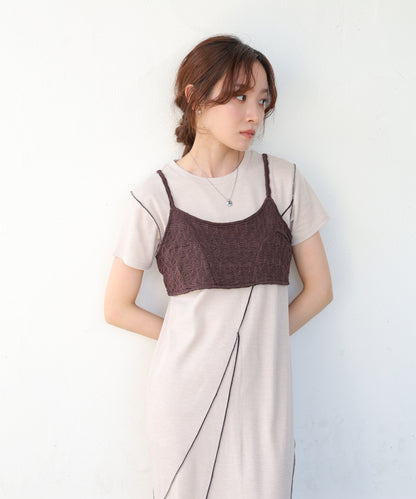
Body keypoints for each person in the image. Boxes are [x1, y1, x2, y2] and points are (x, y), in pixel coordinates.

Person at [104, 34, 333, 499]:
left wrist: (256, 343)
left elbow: (320, 290)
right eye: (239, 97)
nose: (255, 115)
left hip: (263, 394)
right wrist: (200, 343)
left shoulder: (282, 181)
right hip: (184, 395)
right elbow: (116, 307)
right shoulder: (155, 196)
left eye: (262, 100)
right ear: (194, 98)